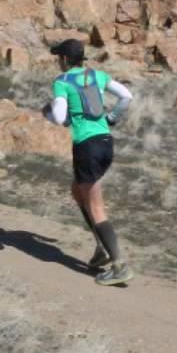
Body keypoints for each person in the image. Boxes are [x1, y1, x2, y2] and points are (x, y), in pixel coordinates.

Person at [42, 38, 134, 286]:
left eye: (58, 57)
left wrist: (50, 112)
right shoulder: (98, 75)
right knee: (77, 190)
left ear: (63, 60)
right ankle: (101, 247)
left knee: (96, 207)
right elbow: (126, 96)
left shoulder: (62, 82)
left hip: (87, 146)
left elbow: (61, 117)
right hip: (106, 142)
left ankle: (118, 264)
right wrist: (112, 117)